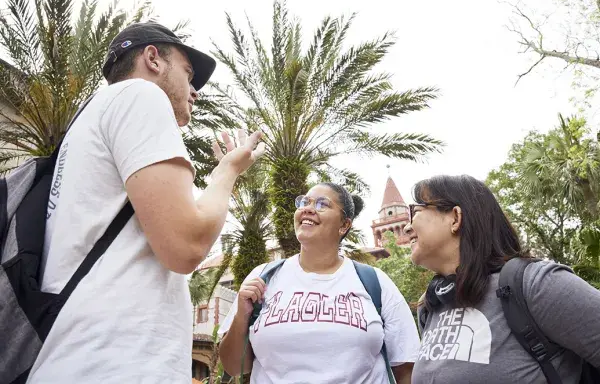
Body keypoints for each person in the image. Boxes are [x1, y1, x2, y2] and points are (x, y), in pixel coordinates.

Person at [27, 22, 265, 383]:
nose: (195, 92)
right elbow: (186, 244)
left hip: (77, 358)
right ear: (153, 58)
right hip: (117, 363)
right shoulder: (140, 94)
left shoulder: (87, 124)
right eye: (188, 74)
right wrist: (227, 172)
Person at [218, 182, 420, 384]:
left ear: (344, 225)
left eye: (322, 204)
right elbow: (234, 367)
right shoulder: (263, 276)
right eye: (304, 202)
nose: (307, 208)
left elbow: (407, 369)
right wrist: (241, 315)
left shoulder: (375, 282)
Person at [405, 175, 600, 384]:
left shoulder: (537, 285)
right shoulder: (431, 305)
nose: (407, 228)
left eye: (415, 211)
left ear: (455, 217)